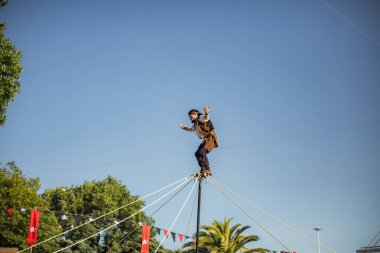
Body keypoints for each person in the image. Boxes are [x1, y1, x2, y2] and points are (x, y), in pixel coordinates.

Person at [180, 106, 219, 175]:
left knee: (201, 152)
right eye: (189, 117)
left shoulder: (201, 118)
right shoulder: (195, 124)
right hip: (205, 140)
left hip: (211, 138)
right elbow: (191, 129)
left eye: (191, 116)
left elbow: (206, 117)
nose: (190, 118)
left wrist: (206, 112)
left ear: (196, 114)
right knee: (197, 153)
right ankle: (203, 169)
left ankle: (207, 169)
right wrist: (184, 127)